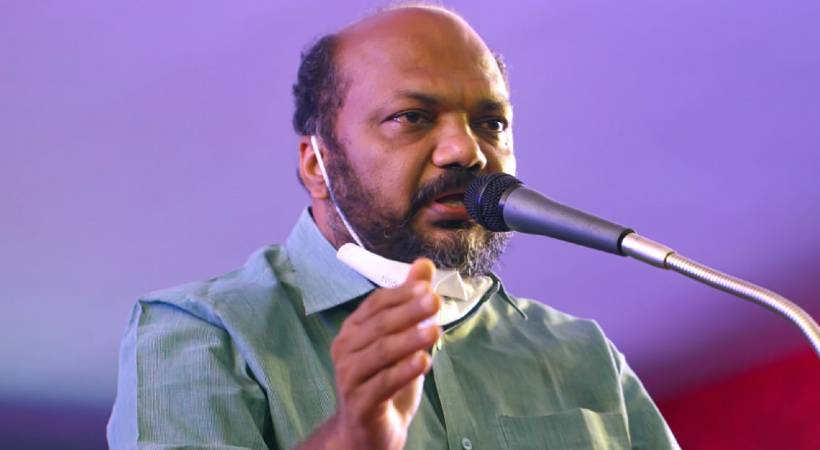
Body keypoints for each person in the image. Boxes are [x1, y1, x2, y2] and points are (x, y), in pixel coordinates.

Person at [108, 5, 680, 450]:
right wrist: (349, 439)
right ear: (317, 164)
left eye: (491, 123)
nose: (466, 151)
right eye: (412, 117)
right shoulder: (204, 333)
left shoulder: (585, 355)